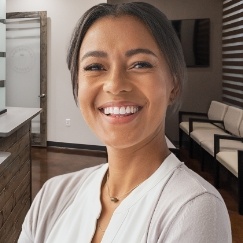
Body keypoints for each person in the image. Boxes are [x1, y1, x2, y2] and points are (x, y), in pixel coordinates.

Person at [18, 2, 232, 243]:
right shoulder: (52, 196)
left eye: (140, 64)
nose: (115, 84)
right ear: (77, 86)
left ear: (174, 85)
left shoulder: (193, 208)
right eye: (95, 67)